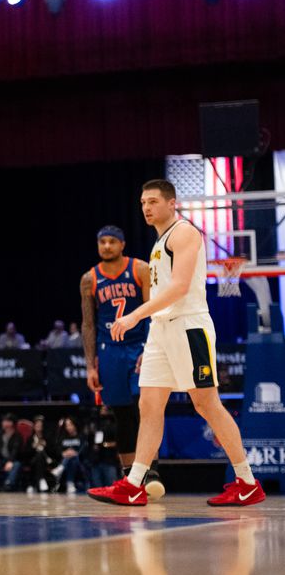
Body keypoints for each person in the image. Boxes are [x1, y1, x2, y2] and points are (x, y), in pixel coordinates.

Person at [90, 179, 264, 506]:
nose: (146, 207)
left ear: (172, 203)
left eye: (153, 201)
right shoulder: (158, 243)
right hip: (161, 329)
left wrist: (134, 316)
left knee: (206, 403)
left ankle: (247, 481)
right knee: (149, 404)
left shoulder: (184, 232)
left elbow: (180, 287)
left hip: (188, 326)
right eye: (143, 202)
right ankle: (135, 483)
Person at [80, 225, 163, 498]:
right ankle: (130, 479)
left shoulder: (139, 269)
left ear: (122, 244)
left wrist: (150, 347)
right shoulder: (89, 279)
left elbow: (153, 313)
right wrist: (91, 365)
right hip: (109, 351)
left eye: (111, 241)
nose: (106, 246)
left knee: (146, 408)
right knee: (122, 416)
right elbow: (88, 324)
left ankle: (151, 472)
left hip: (139, 346)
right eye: (102, 241)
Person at [0, 414, 25, 491]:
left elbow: (15, 451)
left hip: (13, 460)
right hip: (1, 460)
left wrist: (10, 461)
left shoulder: (17, 436)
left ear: (11, 423)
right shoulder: (0, 433)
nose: (3, 423)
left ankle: (8, 483)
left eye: (5, 421)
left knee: (17, 464)